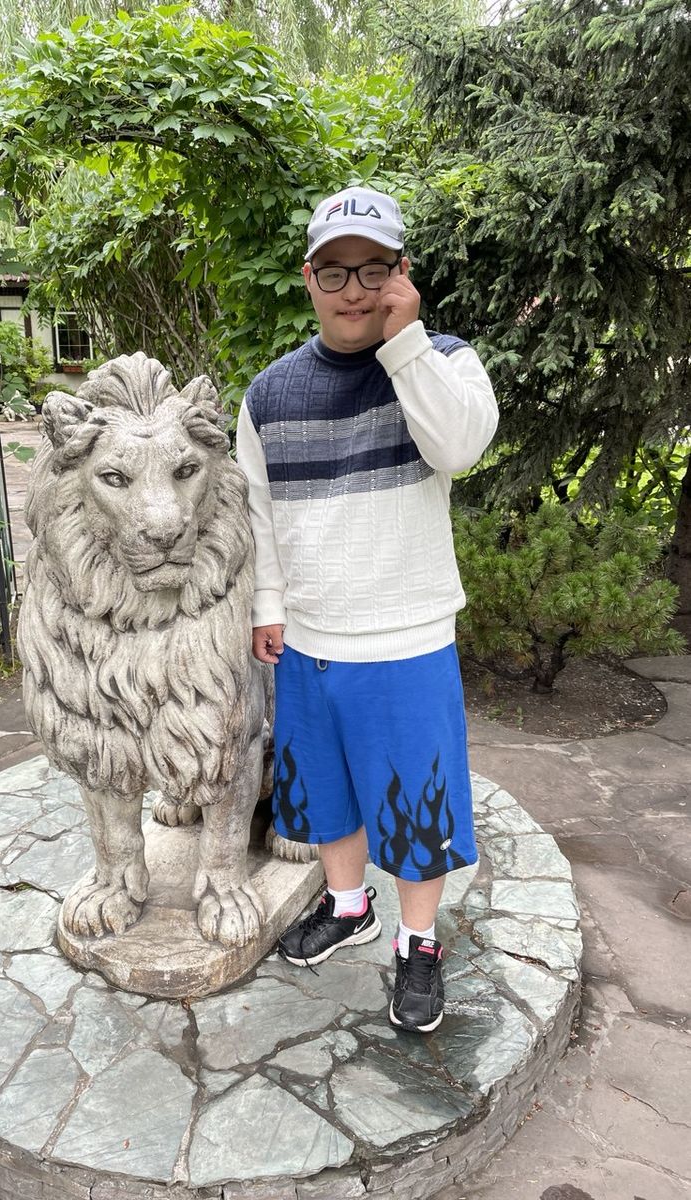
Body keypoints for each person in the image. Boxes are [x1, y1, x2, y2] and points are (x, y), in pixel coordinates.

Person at [235, 185, 498, 1033]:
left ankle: (418, 943)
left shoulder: (443, 361)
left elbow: (460, 447)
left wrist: (405, 341)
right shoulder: (268, 395)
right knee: (326, 794)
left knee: (418, 808)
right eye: (335, 271)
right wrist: (267, 606)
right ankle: (348, 906)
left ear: (402, 273)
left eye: (373, 268)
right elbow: (258, 514)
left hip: (407, 638)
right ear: (308, 277)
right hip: (310, 641)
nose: (354, 289)